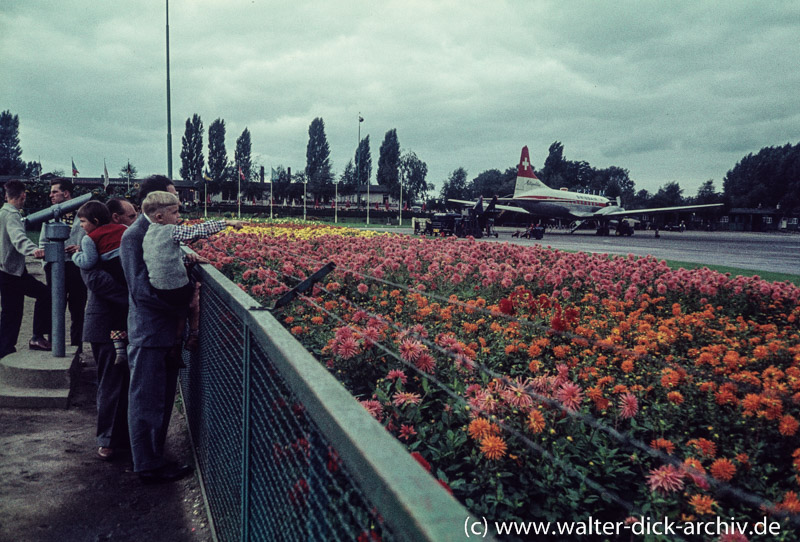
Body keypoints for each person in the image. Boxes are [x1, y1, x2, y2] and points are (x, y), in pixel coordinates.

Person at [119, 176, 193, 483]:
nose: (178, 209)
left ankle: (152, 457)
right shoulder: (134, 237)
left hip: (163, 333)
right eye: (172, 200)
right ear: (154, 204)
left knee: (160, 399)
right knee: (147, 400)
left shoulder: (159, 231)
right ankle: (147, 465)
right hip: (149, 333)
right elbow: (141, 291)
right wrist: (182, 305)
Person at [140, 191, 242, 363]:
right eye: (174, 213)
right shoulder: (169, 230)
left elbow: (162, 257)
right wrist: (226, 222)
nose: (178, 216)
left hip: (158, 287)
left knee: (180, 306)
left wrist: (187, 258)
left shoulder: (149, 233)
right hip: (175, 287)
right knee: (192, 301)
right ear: (159, 217)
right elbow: (196, 231)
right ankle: (191, 336)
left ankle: (176, 344)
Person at [80, 236, 131, 462]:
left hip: (119, 326)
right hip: (105, 328)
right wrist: (138, 297)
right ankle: (107, 440)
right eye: (130, 216)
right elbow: (99, 283)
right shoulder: (94, 251)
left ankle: (119, 437)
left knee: (120, 383)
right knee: (111, 384)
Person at [72, 201, 128, 364]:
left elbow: (89, 262)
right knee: (123, 313)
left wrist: (76, 255)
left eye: (83, 222)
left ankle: (119, 349)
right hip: (126, 273)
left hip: (113, 274)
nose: (81, 226)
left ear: (95, 221)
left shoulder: (89, 239)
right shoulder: (123, 229)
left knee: (114, 313)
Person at [0, 180, 51, 358]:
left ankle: (5, 349)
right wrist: (33, 250)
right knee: (45, 295)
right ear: (23, 196)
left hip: (9, 269)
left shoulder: (2, 212)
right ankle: (36, 337)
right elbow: (17, 237)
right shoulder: (12, 214)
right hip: (11, 272)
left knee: (10, 311)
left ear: (6, 195)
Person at [39, 179, 87, 354]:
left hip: (76, 266)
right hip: (55, 267)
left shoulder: (82, 213)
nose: (51, 195)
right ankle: (54, 346)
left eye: (54, 192)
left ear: (66, 193)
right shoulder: (49, 214)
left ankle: (77, 350)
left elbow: (91, 235)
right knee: (55, 308)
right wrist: (47, 264)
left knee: (77, 310)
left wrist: (80, 248)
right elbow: (43, 242)